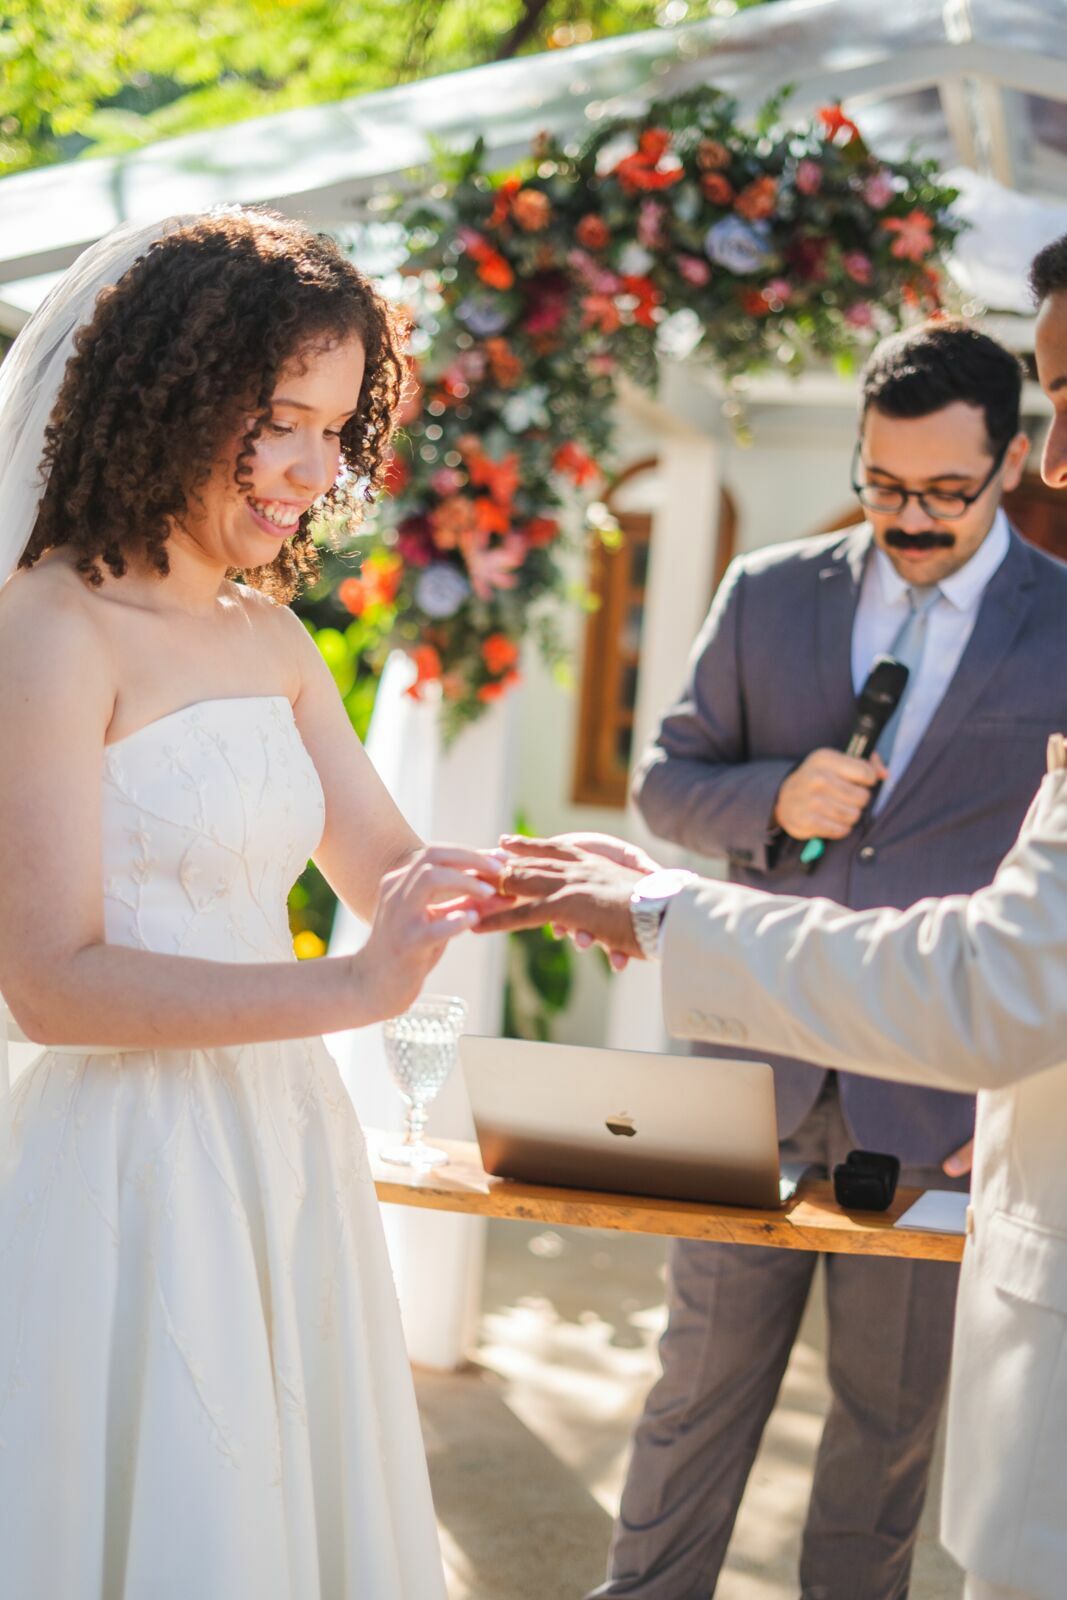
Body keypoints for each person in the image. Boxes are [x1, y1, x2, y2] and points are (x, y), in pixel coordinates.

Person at [478, 235, 1067, 1600]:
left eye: (945, 493)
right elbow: (663, 785)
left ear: (1006, 463)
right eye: (883, 486)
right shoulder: (766, 592)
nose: (909, 518)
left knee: (885, 1435)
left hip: (940, 1098)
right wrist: (775, 799)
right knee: (692, 1393)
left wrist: (1019, 1092)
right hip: (751, 1068)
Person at [0, 209, 501, 1599]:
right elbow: (47, 981)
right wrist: (348, 990)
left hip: (282, 1142)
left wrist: (551, 888)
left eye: (335, 431)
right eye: (279, 421)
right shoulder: (49, 628)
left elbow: (386, 863)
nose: (313, 470)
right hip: (124, 1162)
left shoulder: (267, 633)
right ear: (168, 396)